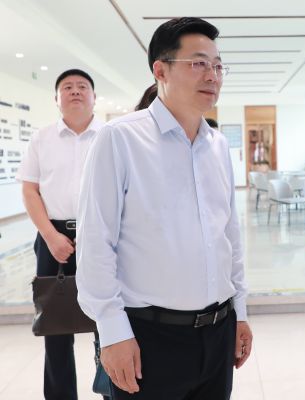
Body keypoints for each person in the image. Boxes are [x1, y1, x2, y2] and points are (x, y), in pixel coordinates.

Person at [76, 17, 252, 400]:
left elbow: (229, 237)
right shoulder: (120, 139)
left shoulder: (218, 146)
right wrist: (112, 332)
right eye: (198, 63)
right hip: (148, 337)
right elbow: (95, 242)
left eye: (218, 65)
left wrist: (240, 311)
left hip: (219, 331)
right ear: (160, 70)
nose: (212, 75)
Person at [17, 68, 104, 400]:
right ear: (57, 99)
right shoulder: (41, 139)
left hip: (101, 235)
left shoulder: (111, 135)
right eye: (67, 87)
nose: (75, 91)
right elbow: (30, 191)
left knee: (108, 323)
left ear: (94, 97)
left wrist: (97, 233)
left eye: (82, 86)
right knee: (55, 327)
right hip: (52, 237)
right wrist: (51, 237)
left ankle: (112, 390)